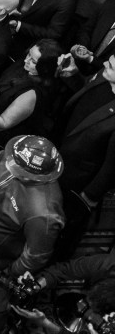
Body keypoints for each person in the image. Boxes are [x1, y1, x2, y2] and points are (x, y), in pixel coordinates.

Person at [0, 135, 65, 334]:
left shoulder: (45, 213)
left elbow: (36, 255)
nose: (10, 165)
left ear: (34, 176)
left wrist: (9, 272)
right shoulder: (16, 158)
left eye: (17, 167)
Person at [53, 55, 115, 259]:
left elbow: (111, 165)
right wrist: (74, 75)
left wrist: (88, 197)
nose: (104, 63)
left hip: (76, 181)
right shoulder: (104, 77)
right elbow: (85, 93)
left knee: (55, 228)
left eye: (111, 65)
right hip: (58, 154)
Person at [0, 40, 62, 143]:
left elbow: (3, 124)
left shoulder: (31, 94)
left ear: (45, 68)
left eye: (33, 61)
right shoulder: (23, 65)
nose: (26, 60)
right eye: (28, 54)